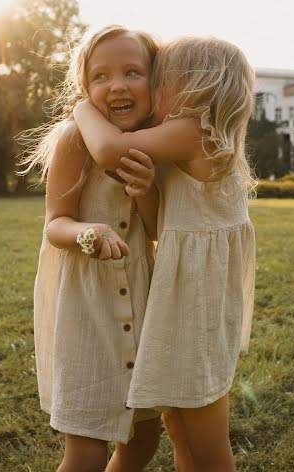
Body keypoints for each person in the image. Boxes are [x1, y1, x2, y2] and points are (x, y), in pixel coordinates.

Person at [73, 35, 257, 472]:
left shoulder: (194, 130)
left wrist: (83, 107)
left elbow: (107, 150)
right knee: (180, 428)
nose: (152, 92)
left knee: (209, 445)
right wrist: (145, 192)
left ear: (191, 86)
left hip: (196, 312)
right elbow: (164, 231)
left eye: (159, 80)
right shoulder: (197, 139)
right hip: (187, 305)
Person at [21, 25, 162, 472]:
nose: (116, 85)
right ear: (84, 89)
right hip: (86, 305)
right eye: (100, 76)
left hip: (141, 304)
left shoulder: (156, 140)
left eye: (132, 72)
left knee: (143, 437)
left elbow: (158, 230)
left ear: (155, 81)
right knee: (85, 448)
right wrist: (88, 234)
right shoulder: (74, 140)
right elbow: (54, 223)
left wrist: (146, 189)